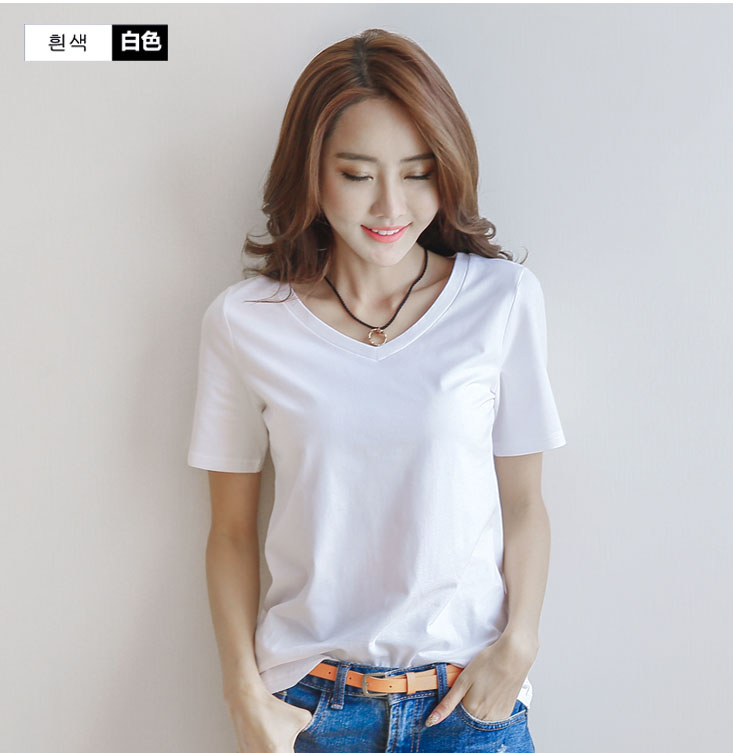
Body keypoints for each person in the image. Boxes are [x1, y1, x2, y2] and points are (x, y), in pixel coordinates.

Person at [187, 28, 566, 753]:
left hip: (469, 707)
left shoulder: (504, 300)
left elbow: (524, 503)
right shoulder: (245, 322)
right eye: (358, 174)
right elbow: (230, 531)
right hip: (308, 710)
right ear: (312, 173)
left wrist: (519, 644)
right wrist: (242, 695)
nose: (391, 205)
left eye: (418, 172)